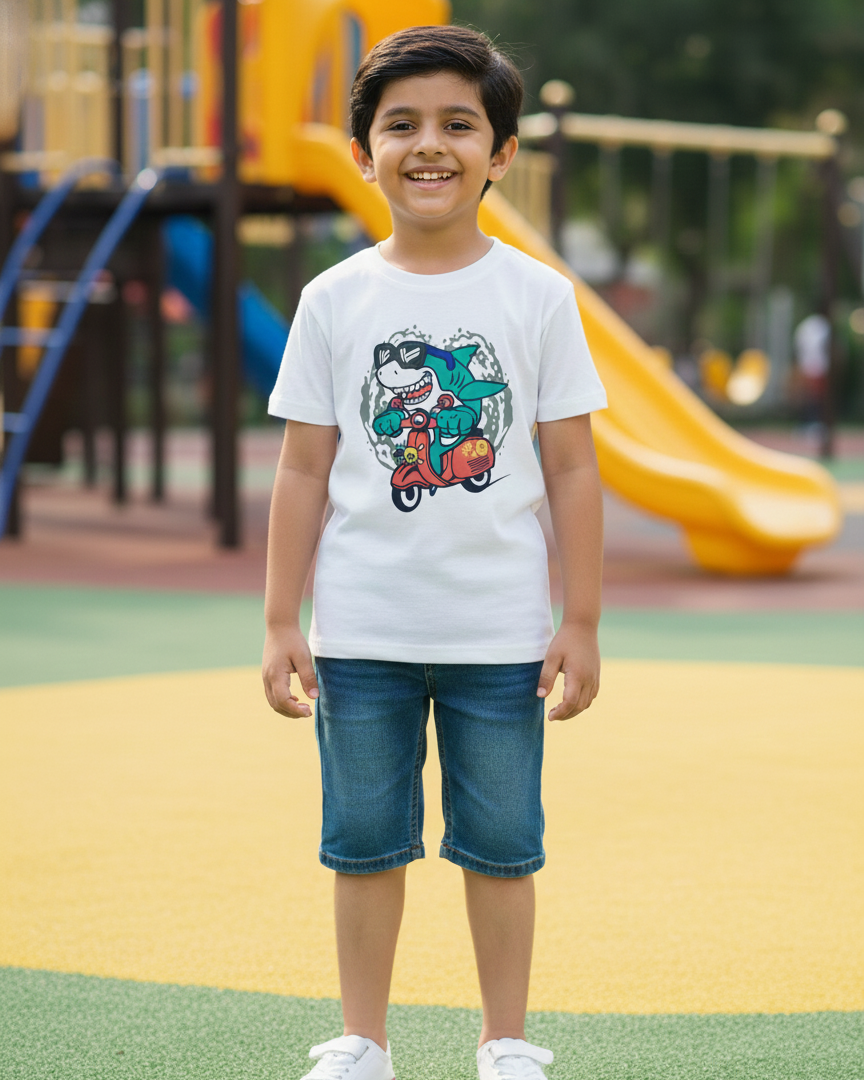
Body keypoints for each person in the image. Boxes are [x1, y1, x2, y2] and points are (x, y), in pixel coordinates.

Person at [262, 24, 607, 1080]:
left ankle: (505, 1041)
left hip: (498, 638)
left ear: (501, 153)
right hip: (361, 633)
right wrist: (283, 617)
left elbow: (574, 470)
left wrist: (580, 621)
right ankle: (363, 1040)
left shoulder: (538, 297)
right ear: (364, 151)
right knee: (364, 845)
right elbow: (304, 472)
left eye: (460, 124)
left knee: (501, 848)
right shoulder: (335, 299)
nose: (430, 146)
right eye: (400, 124)